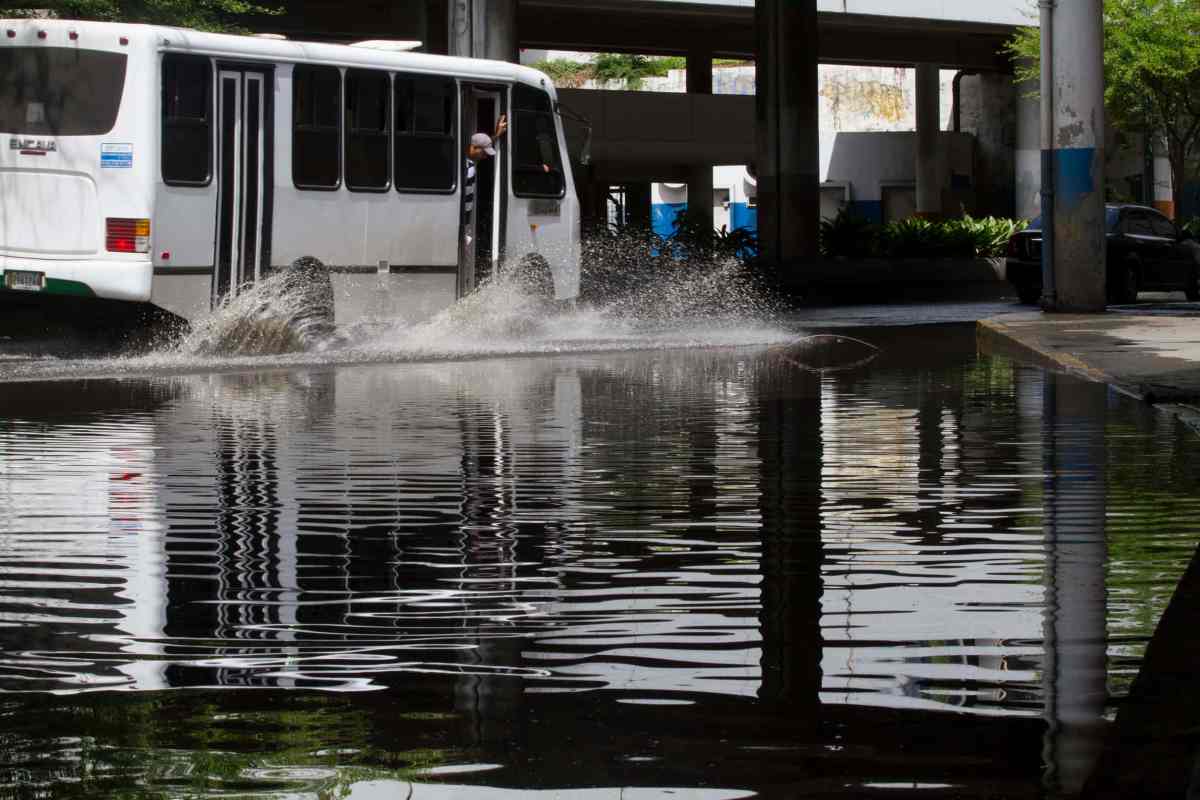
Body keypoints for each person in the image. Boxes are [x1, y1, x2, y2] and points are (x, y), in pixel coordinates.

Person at [463, 114, 508, 240]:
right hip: (461, 224)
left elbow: (481, 144)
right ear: (474, 148)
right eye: (484, 152)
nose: (485, 157)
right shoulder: (465, 167)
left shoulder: (467, 161)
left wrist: (496, 135)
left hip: (464, 224)